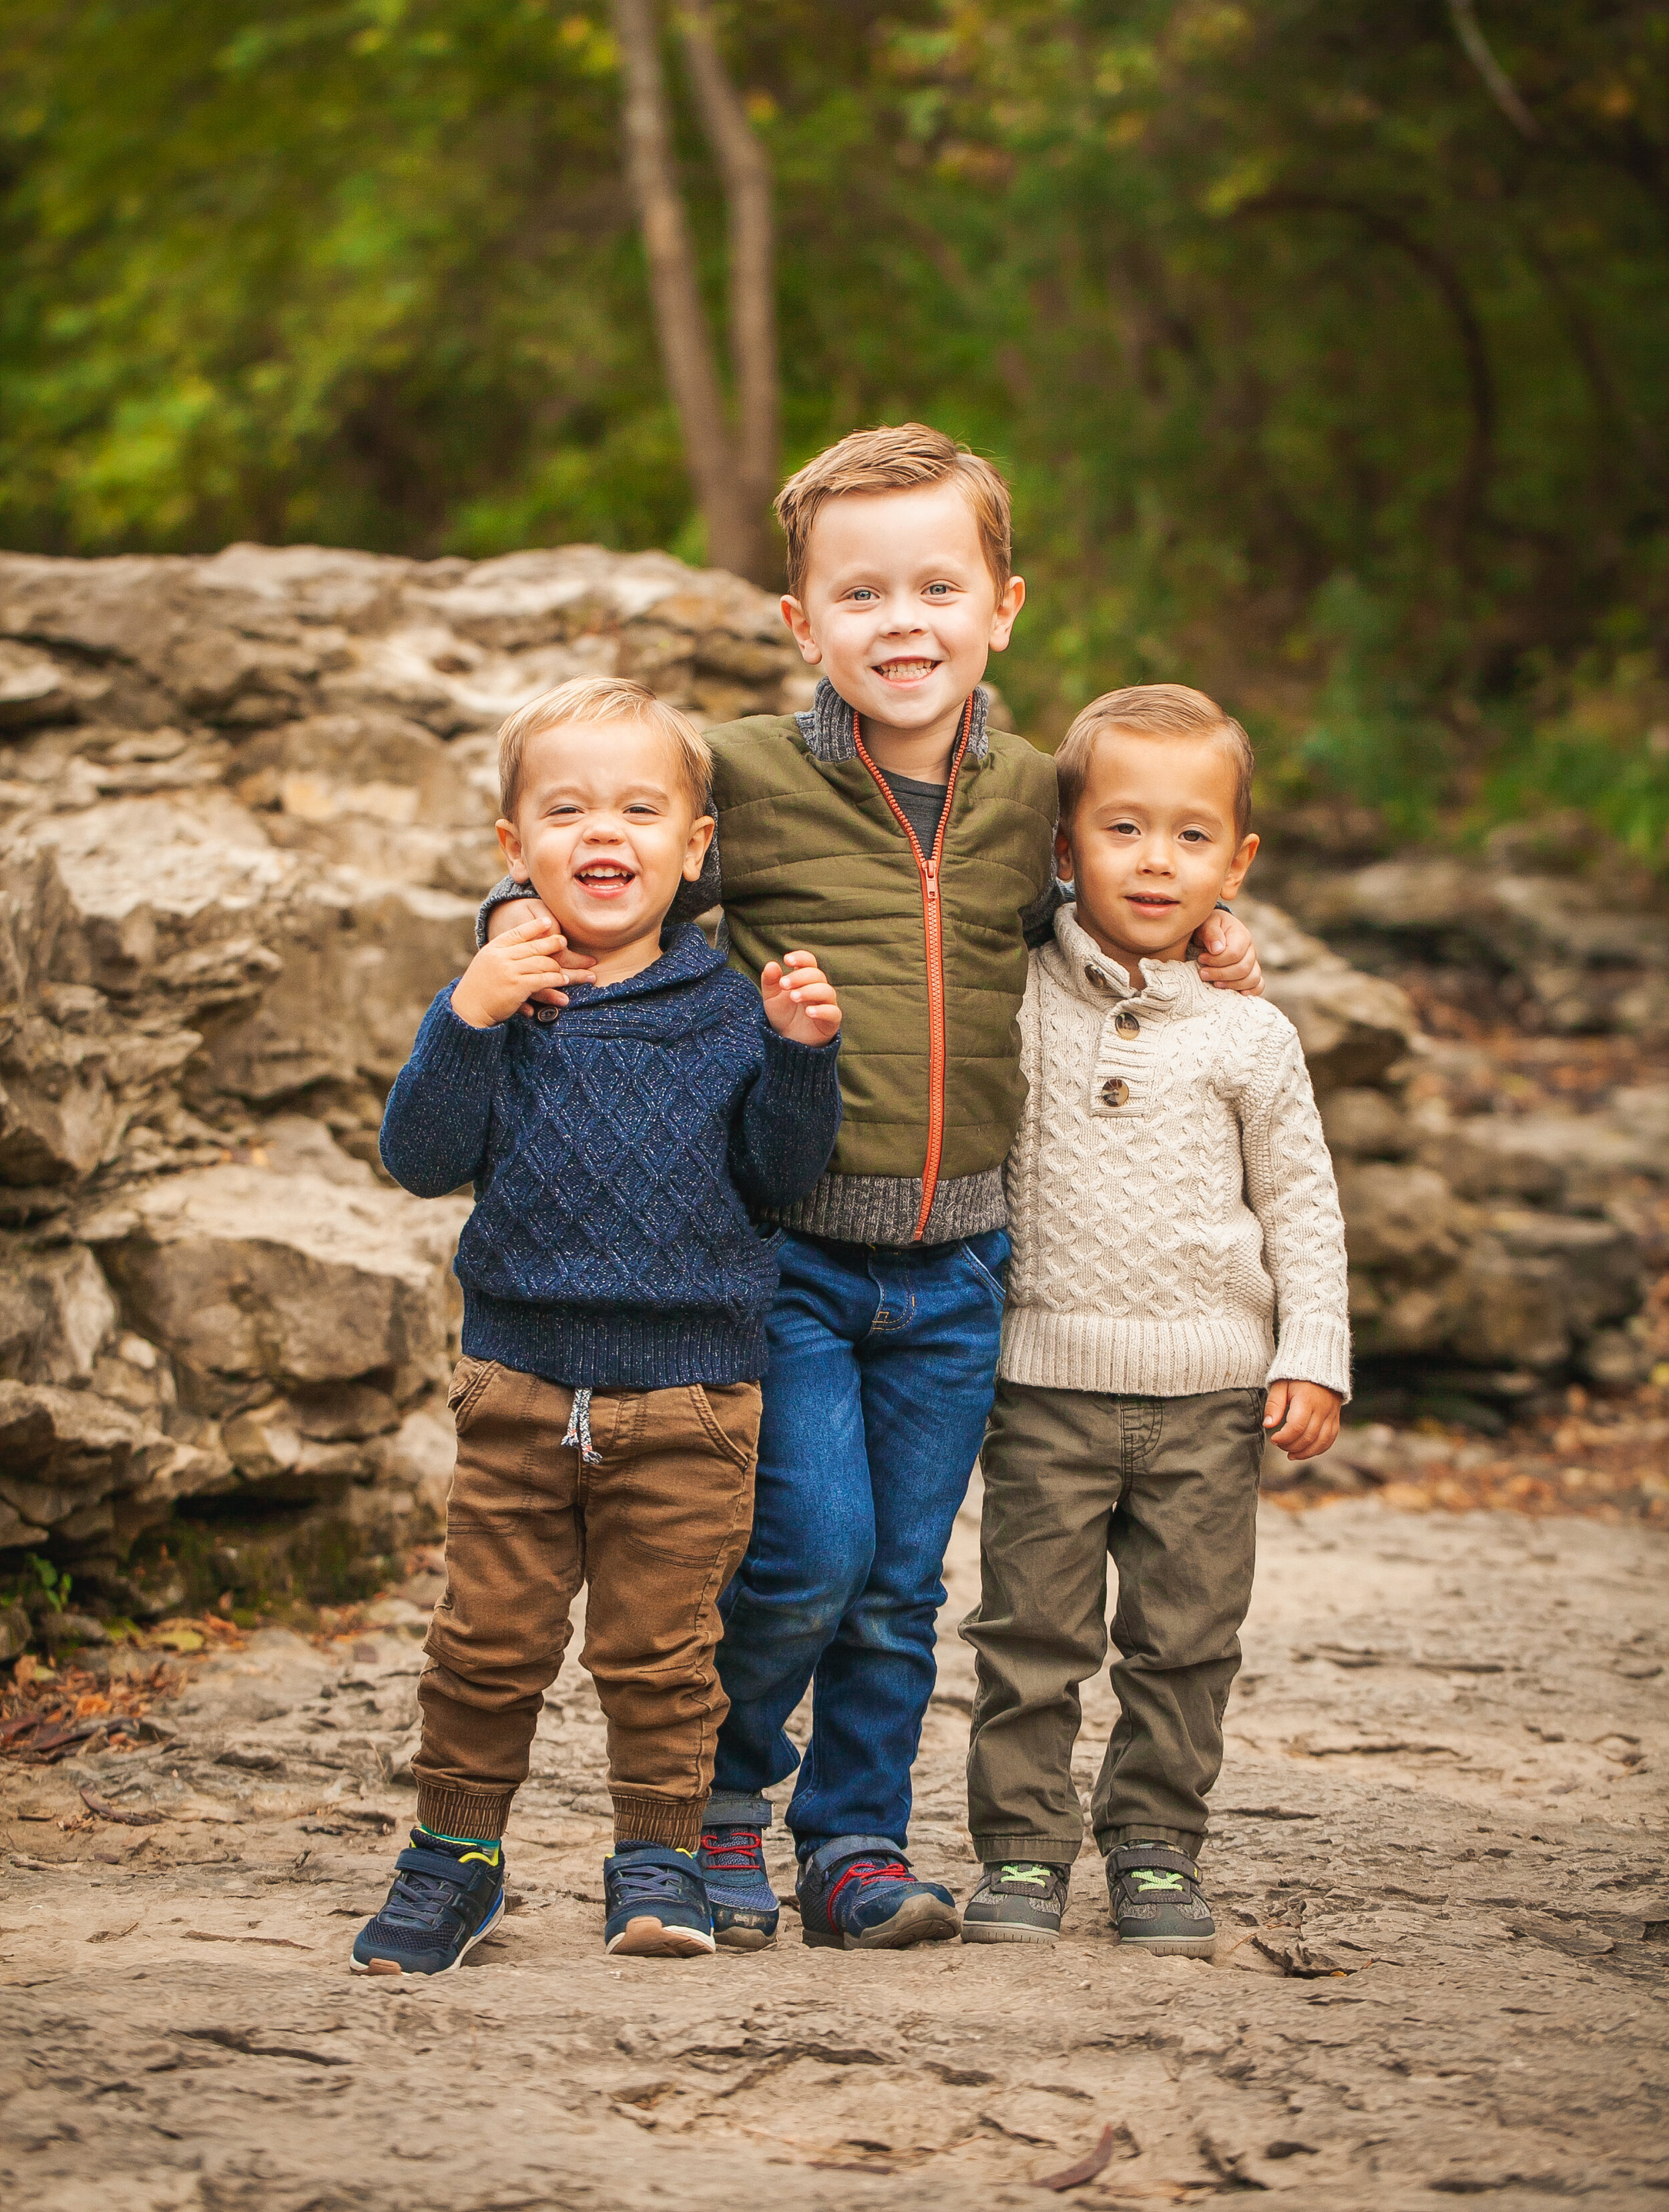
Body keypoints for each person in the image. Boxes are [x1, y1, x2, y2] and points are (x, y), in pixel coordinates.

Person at [481, 426, 1266, 1953]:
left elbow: (1114, 897)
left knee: (902, 1584)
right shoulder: (752, 782)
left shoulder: (1039, 791)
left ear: (1001, 608)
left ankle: (851, 1844)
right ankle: (717, 1809)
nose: (899, 622)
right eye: (859, 593)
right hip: (788, 1261)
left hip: (963, 1268)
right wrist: (519, 912)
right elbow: (616, 843)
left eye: (933, 586)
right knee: (803, 1554)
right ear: (801, 624)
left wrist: (1205, 949)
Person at [351, 677, 843, 1976]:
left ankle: (659, 1858)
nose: (601, 832)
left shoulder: (732, 1011)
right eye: (564, 809)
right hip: (517, 1387)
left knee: (661, 1653)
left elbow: (779, 1180)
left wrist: (799, 1057)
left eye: (638, 806)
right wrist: (467, 1010)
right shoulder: (502, 1006)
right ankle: (452, 1857)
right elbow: (417, 1157)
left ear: (694, 848)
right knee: (486, 1643)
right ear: (514, 849)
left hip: (690, 1400)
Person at [959, 684, 1350, 1954]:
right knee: (1030, 1634)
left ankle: (1155, 1847)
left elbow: (1304, 1204)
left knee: (1185, 1639)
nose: (1156, 860)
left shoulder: (1252, 1031)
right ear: (1064, 845)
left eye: (1192, 836)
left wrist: (1314, 1353)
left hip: (1210, 1394)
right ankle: (1021, 1851)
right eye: (1123, 829)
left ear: (1237, 862)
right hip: (1046, 1381)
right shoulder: (1015, 993)